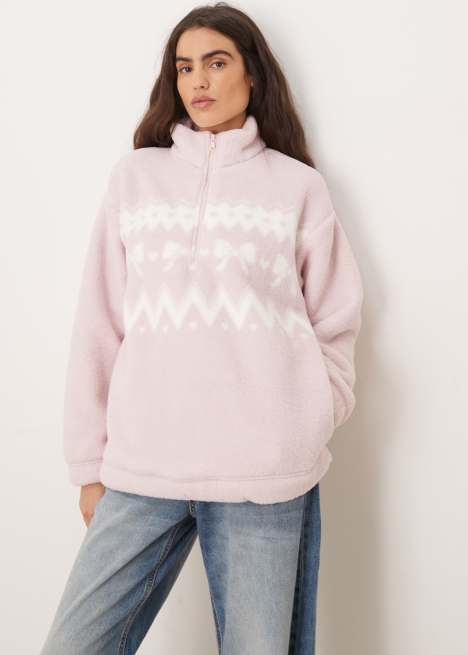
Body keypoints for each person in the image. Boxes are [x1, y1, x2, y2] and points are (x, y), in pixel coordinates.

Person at [40, 3, 364, 654]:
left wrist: (306, 414)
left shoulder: (297, 188)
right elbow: (99, 321)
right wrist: (88, 464)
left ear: (252, 74)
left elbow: (336, 320)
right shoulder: (135, 178)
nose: (198, 81)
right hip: (142, 470)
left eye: (216, 63)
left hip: (263, 474)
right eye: (184, 67)